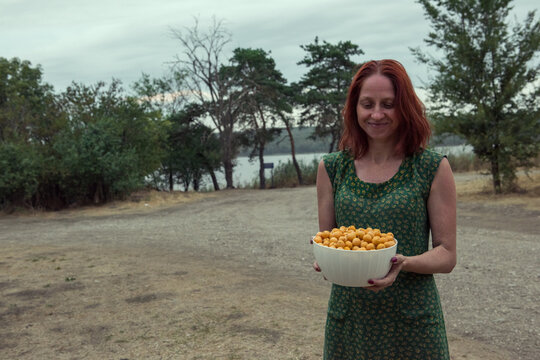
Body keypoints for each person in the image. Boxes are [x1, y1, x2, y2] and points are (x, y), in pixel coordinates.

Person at [314, 59, 456, 359]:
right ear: (354, 107)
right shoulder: (332, 168)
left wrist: (402, 263)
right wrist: (326, 262)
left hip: (412, 322)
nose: (376, 114)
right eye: (368, 103)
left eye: (388, 104)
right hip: (350, 322)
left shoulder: (431, 167)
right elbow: (328, 241)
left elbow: (446, 255)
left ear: (404, 108)